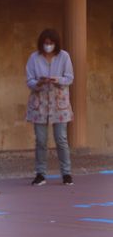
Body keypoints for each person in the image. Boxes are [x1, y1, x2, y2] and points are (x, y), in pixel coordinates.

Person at [26, 28, 74, 186]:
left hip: (59, 105)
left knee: (61, 139)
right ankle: (40, 173)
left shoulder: (64, 56)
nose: (48, 46)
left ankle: (66, 173)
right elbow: (29, 81)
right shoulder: (34, 58)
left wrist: (57, 80)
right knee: (41, 140)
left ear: (56, 43)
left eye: (51, 43)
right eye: (45, 43)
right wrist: (39, 82)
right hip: (39, 104)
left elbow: (69, 78)